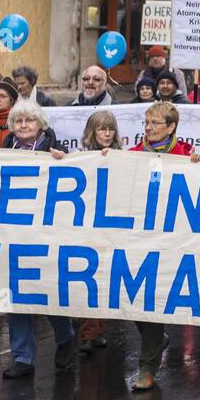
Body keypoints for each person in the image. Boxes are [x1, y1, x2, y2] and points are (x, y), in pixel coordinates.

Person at [0, 100, 73, 378]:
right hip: (12, 234)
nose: (23, 126)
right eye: (18, 121)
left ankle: (65, 336)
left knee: (46, 290)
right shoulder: (3, 151)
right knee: (16, 293)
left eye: (29, 121)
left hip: (45, 234)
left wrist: (65, 161)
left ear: (40, 125)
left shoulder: (56, 151)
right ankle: (22, 357)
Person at [127, 101, 200, 390]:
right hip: (137, 239)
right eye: (145, 123)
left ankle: (146, 368)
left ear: (171, 127)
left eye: (154, 124)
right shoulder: (131, 156)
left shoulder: (186, 157)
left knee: (152, 299)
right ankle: (156, 340)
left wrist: (199, 166)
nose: (147, 128)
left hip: (170, 242)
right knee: (130, 298)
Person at [75, 109, 121, 353]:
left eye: (110, 128)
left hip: (111, 228)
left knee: (103, 281)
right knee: (87, 279)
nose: (106, 133)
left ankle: (96, 329)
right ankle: (86, 333)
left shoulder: (122, 156)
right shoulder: (82, 158)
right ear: (92, 132)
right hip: (87, 227)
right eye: (102, 128)